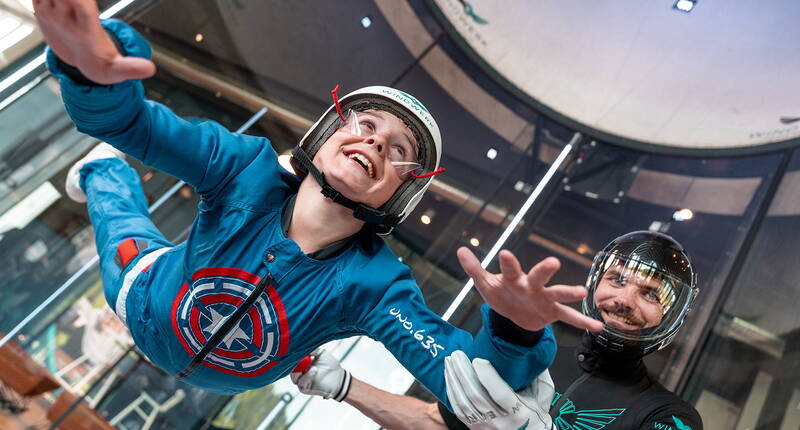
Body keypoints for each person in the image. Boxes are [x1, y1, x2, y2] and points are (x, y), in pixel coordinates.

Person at [32, 0, 603, 406]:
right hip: (144, 296)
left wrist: (516, 333)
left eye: (399, 149)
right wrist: (90, 74)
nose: (375, 140)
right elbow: (137, 124)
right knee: (118, 213)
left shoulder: (376, 285)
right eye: (364, 122)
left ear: (400, 192)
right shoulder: (241, 170)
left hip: (230, 376)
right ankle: (103, 170)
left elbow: (466, 375)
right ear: (326, 134)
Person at [292, 231, 704, 429]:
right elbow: (438, 422)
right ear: (596, 284)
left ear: (670, 317)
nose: (626, 299)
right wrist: (342, 385)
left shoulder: (668, 416)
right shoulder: (540, 358)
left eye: (650, 293)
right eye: (617, 279)